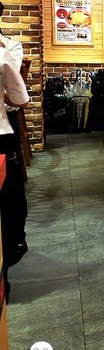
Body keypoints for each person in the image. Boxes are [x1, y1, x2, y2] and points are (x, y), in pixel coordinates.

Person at [0, 47, 30, 303]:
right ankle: (12, 246)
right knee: (9, 195)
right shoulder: (3, 54)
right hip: (1, 133)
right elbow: (21, 99)